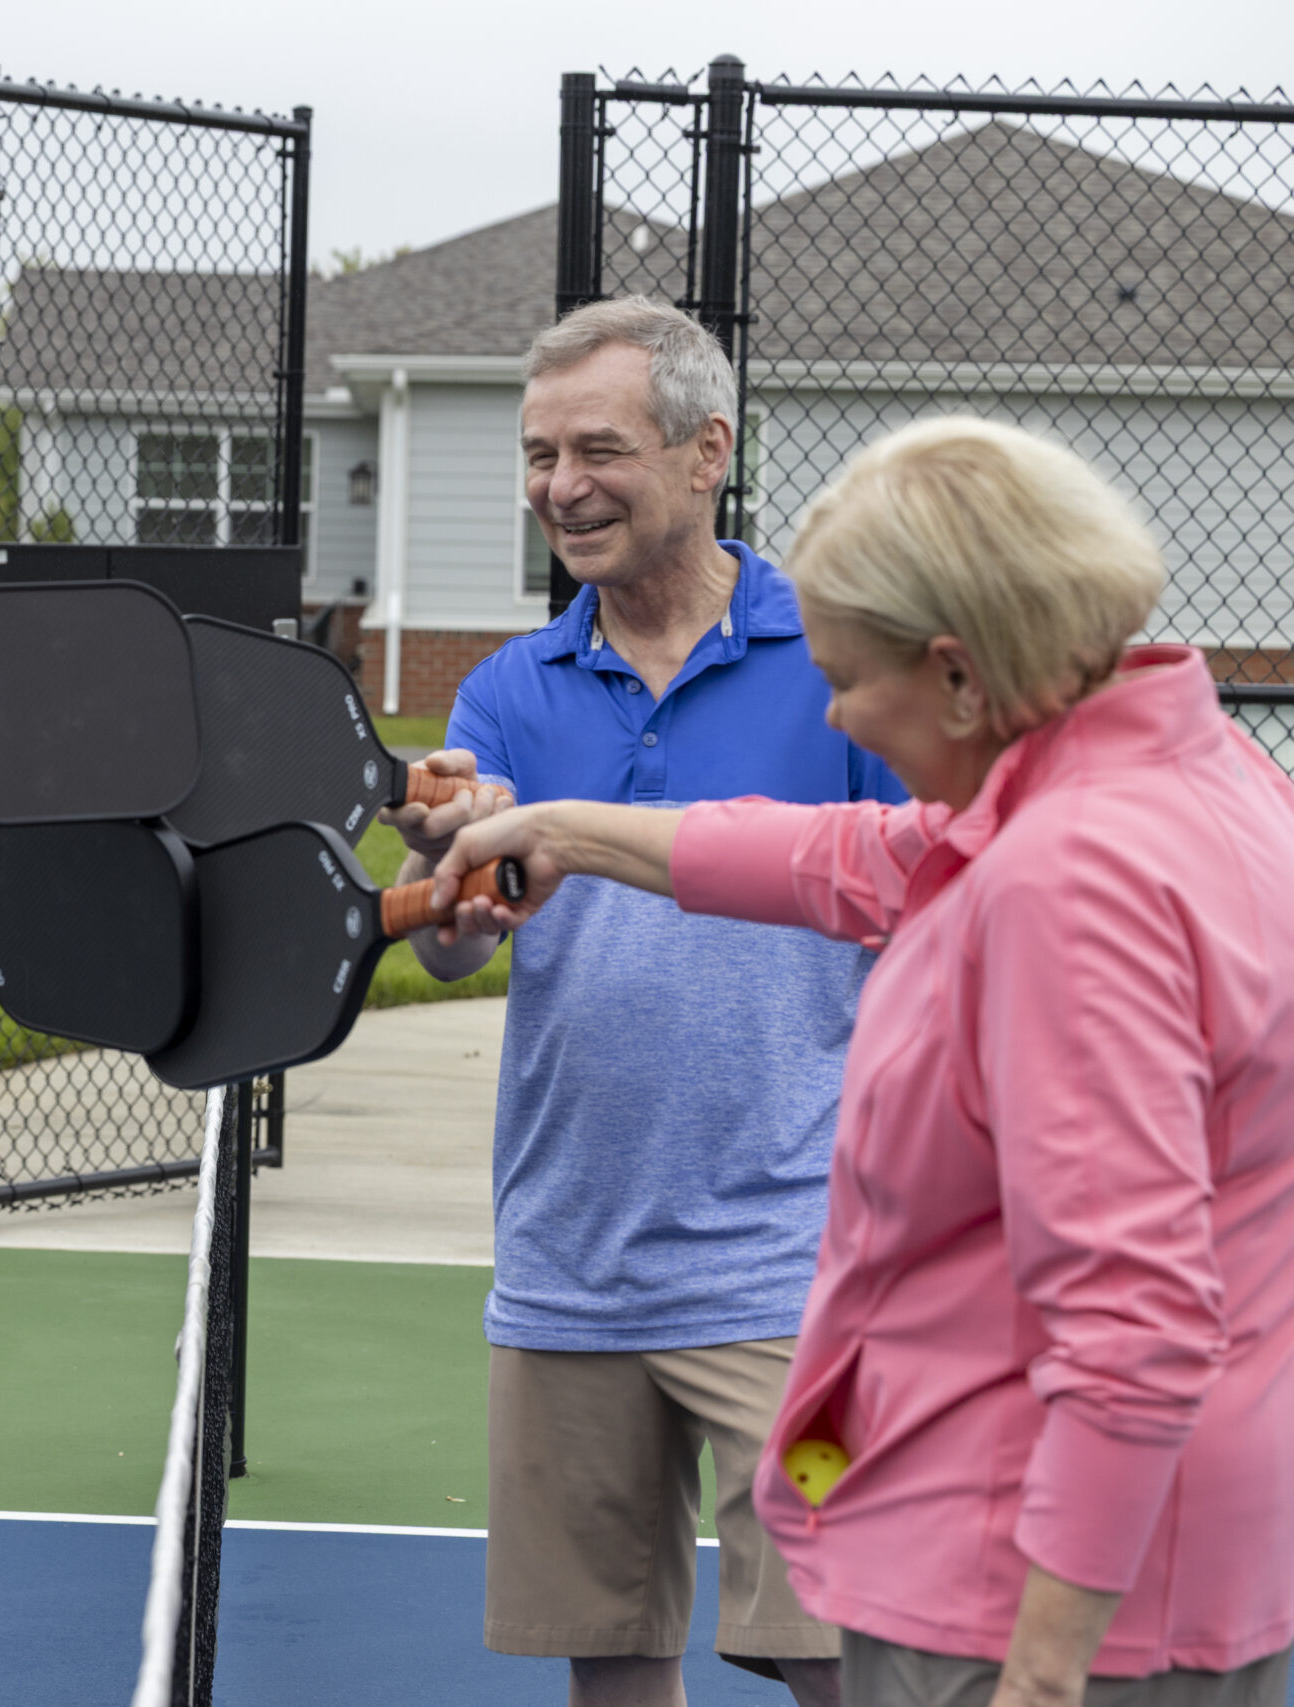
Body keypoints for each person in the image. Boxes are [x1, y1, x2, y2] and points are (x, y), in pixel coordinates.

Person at [431, 416, 1294, 1706]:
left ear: (956, 675)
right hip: (1162, 1553)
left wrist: (1043, 1678)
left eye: (845, 677)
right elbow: (852, 854)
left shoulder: (1067, 885)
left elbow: (1133, 1328)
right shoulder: (1193, 770)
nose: (831, 712)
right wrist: (570, 830)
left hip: (1022, 1590)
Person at [384, 296, 903, 1706]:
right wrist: (451, 892)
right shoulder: (506, 687)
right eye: (541, 454)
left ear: (703, 452)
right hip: (568, 1266)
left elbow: (929, 907)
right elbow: (454, 952)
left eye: (596, 447)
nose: (560, 485)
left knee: (841, 1650)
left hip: (797, 1271)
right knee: (610, 1665)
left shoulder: (846, 662)